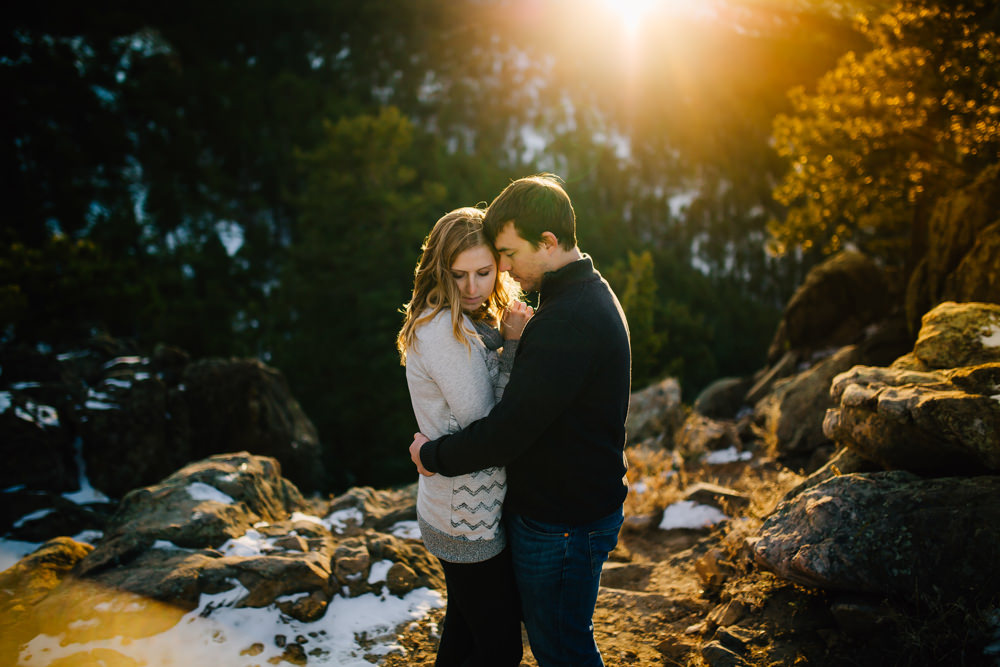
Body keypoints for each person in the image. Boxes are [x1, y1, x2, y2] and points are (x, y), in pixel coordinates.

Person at [409, 174, 632, 667]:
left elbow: (501, 430)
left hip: (565, 522)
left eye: (505, 256)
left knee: (561, 647)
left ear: (548, 243)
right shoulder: (578, 297)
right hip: (552, 514)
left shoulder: (565, 321)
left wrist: (430, 454)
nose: (503, 267)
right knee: (496, 634)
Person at [396, 206, 532, 666]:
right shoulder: (443, 332)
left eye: (483, 272)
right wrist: (513, 344)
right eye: (459, 274)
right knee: (500, 650)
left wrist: (500, 340)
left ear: (499, 267)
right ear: (439, 270)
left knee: (464, 634)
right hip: (465, 520)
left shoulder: (461, 321)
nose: (473, 288)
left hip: (457, 508)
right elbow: (490, 424)